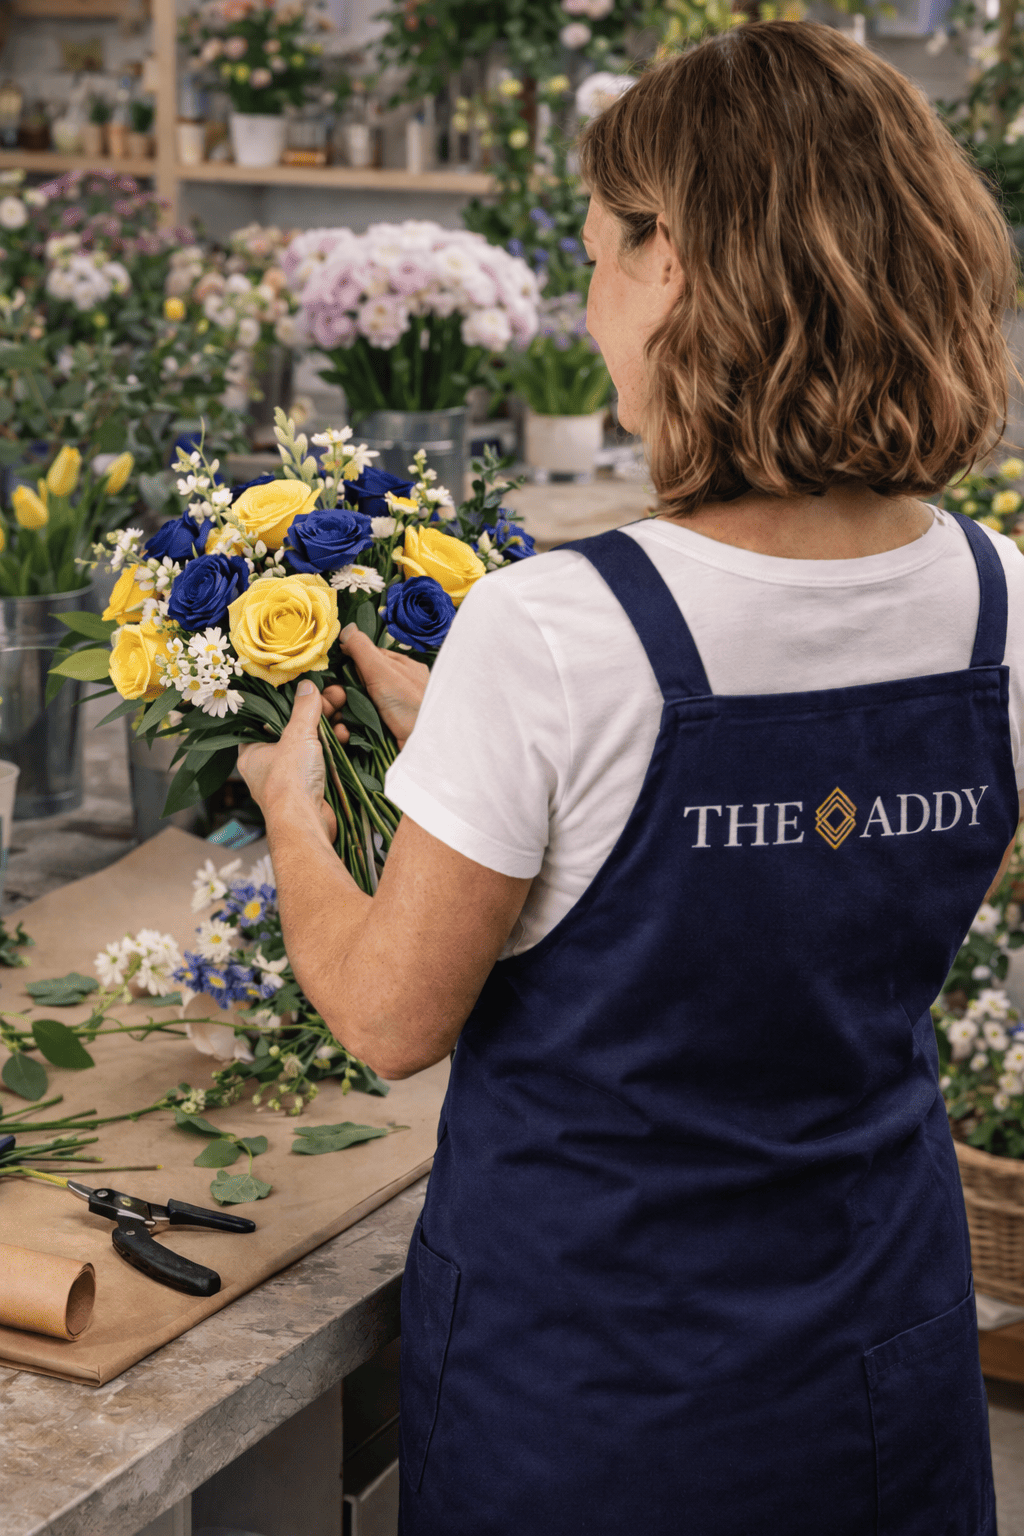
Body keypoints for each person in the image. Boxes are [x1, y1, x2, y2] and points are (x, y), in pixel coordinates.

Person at [237, 20, 1024, 1535]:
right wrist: (474, 750)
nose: (592, 307)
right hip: (877, 1363)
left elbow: (392, 1018)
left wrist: (295, 812)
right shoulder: (1000, 603)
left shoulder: (555, 628)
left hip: (592, 1399)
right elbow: (901, 872)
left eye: (599, 255)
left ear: (676, 268)